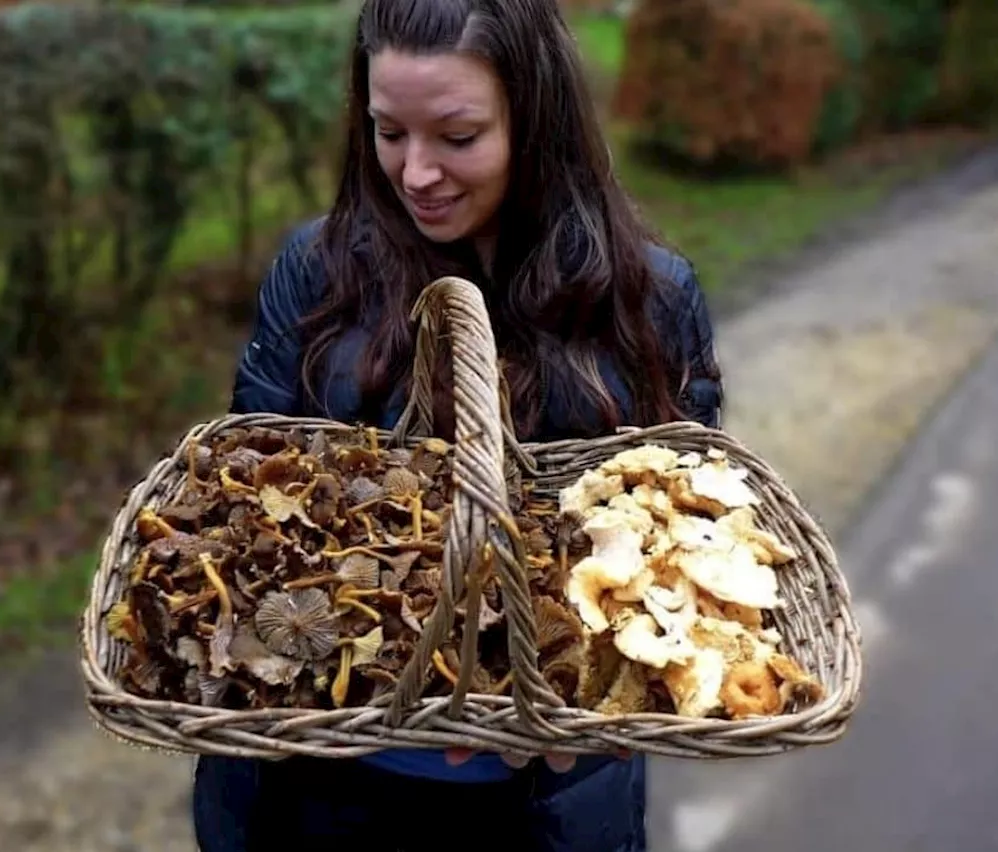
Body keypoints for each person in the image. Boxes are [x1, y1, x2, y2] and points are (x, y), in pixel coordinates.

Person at [192, 0, 723, 849]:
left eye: (458, 136)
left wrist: (591, 703)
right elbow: (242, 496)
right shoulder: (317, 274)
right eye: (388, 131)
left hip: (546, 803)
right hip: (320, 787)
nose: (415, 174)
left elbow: (686, 535)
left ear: (535, 119)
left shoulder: (649, 302)